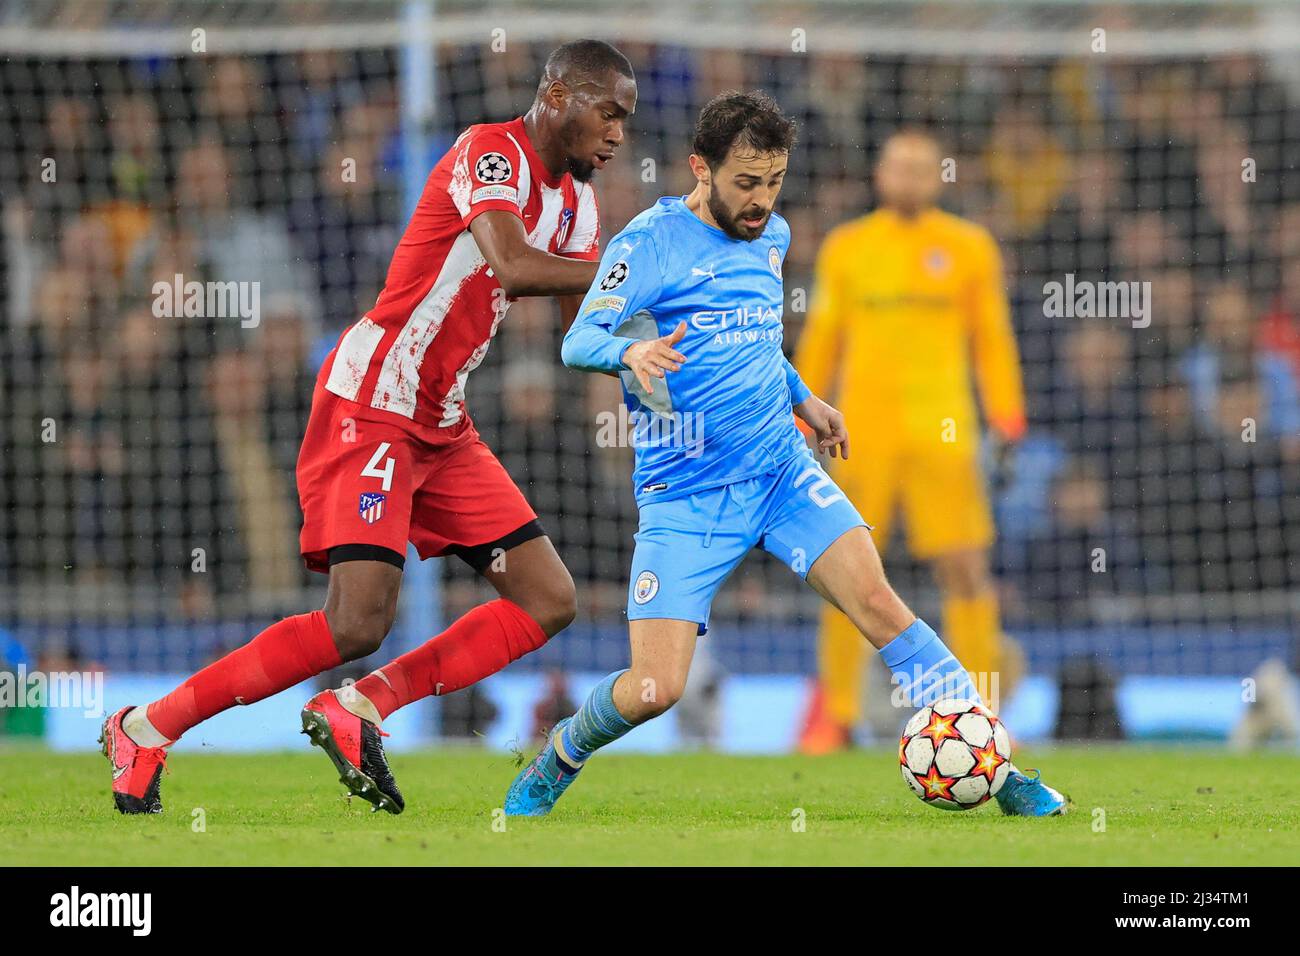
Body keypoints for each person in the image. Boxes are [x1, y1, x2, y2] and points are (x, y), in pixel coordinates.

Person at [100, 39, 638, 815]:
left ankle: (360, 707)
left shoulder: (580, 205)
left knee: (548, 598)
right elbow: (516, 266)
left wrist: (657, 340)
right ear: (557, 95)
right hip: (374, 401)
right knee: (356, 620)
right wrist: (637, 268)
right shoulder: (490, 153)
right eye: (608, 112)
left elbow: (575, 327)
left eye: (626, 118)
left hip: (443, 422)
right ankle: (147, 725)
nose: (618, 133)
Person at [503, 91, 1066, 818]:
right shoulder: (648, 243)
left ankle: (1001, 768)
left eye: (773, 181)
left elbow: (758, 339)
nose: (761, 200)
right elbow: (578, 340)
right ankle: (562, 753)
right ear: (699, 168)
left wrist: (804, 399)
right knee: (655, 689)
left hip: (780, 470)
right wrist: (630, 351)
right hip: (687, 492)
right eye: (746, 182)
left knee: (880, 605)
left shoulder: (773, 237)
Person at [795, 129, 1029, 753]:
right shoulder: (848, 248)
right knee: (841, 570)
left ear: (940, 178)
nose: (909, 178)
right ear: (880, 174)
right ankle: (834, 716)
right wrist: (799, 413)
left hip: (944, 433)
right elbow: (822, 339)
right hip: (860, 434)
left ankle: (983, 715)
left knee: (966, 571)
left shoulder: (969, 248)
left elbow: (993, 340)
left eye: (922, 169)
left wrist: (1008, 417)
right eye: (898, 166)